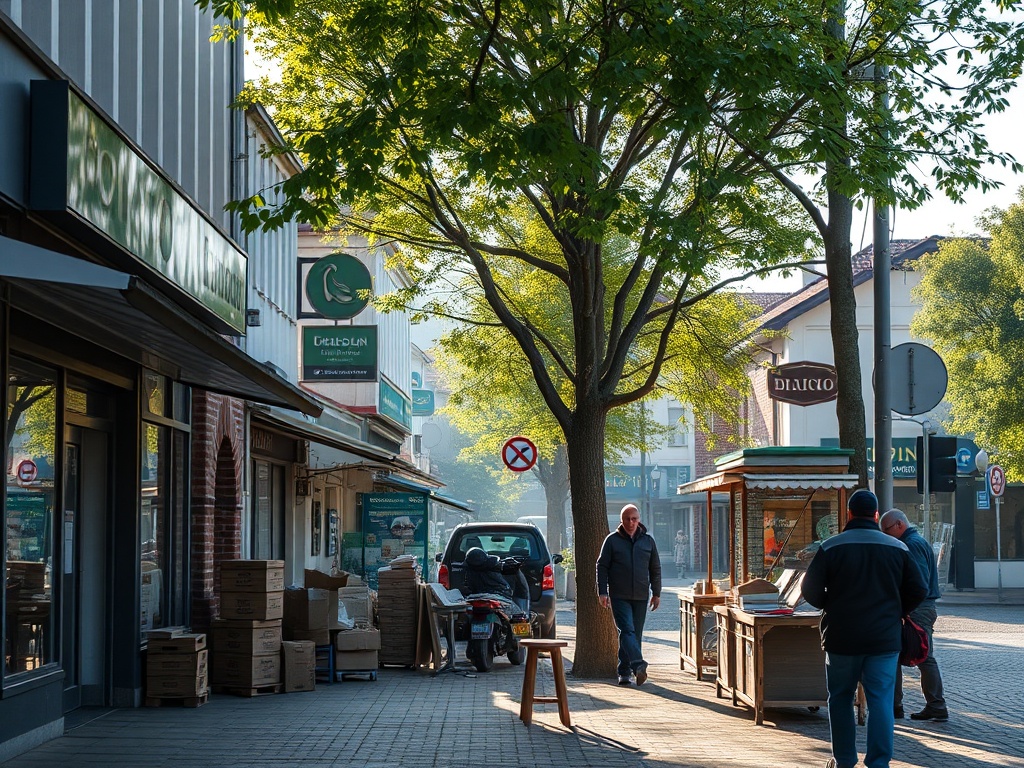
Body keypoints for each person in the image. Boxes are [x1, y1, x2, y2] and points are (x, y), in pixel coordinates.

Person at [802, 489, 927, 768]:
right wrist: (898, 611)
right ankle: (879, 763)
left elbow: (809, 589)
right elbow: (919, 589)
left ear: (848, 514)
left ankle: (845, 760)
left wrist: (830, 605)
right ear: (876, 515)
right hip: (883, 639)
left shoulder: (831, 546)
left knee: (840, 698)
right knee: (880, 700)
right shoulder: (898, 548)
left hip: (841, 638)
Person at [879, 508, 948, 722]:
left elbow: (918, 584)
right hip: (919, 607)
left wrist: (905, 610)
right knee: (905, 654)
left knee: (923, 656)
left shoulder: (911, 545)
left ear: (899, 525)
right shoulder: (916, 542)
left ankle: (934, 705)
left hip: (917, 609)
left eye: (887, 530)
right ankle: (900, 705)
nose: (886, 535)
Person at [597, 503, 662, 686]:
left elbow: (655, 568)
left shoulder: (648, 541)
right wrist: (602, 592)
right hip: (619, 595)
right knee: (627, 630)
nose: (631, 522)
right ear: (622, 520)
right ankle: (638, 665)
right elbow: (602, 566)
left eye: (634, 519)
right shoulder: (612, 540)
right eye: (627, 519)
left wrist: (656, 593)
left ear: (639, 520)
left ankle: (625, 672)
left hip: (641, 595)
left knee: (634, 635)